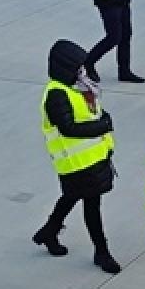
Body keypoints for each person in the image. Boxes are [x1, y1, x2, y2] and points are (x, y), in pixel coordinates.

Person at [33, 40, 121, 274]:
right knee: (91, 205)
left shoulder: (79, 87)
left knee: (72, 196)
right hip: (76, 162)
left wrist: (103, 124)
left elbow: (94, 113)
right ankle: (101, 252)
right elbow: (68, 128)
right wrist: (103, 126)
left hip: (93, 158)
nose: (83, 70)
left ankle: (49, 231)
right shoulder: (57, 94)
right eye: (78, 66)